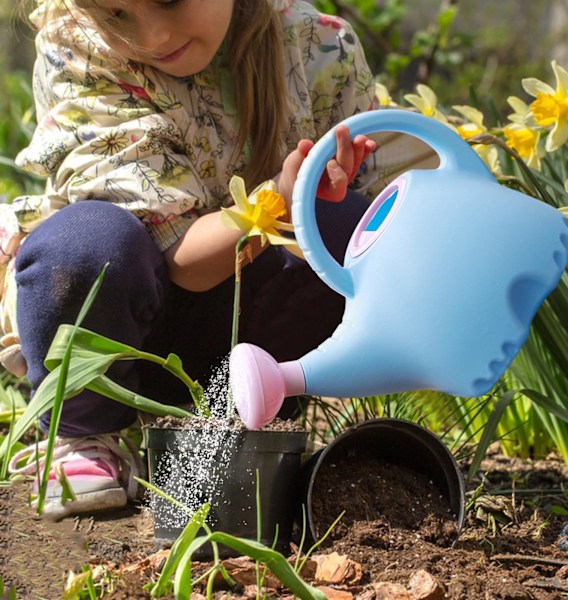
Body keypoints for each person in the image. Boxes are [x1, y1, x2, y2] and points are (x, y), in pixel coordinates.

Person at [1, 0, 432, 518]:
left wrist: (335, 196)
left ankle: (241, 420)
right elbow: (182, 260)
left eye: (169, 1)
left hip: (248, 333)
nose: (154, 35)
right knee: (83, 244)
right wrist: (278, 198)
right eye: (118, 15)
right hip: (124, 324)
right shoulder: (82, 50)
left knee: (350, 228)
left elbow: (399, 203)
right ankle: (85, 433)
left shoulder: (319, 48)